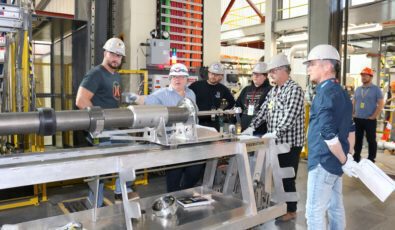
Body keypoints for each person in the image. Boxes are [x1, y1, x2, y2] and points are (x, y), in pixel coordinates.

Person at [304, 44, 358, 229]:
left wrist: (344, 160)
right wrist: (348, 155)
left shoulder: (324, 93)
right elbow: (351, 127)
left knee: (314, 212)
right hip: (335, 163)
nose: (308, 68)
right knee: (335, 207)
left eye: (311, 63)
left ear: (327, 66)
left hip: (323, 161)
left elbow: (328, 133)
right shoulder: (342, 92)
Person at [75, 37, 135, 207]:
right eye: (113, 54)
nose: (116, 58)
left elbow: (110, 98)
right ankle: (108, 197)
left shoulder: (115, 75)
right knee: (105, 166)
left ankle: (99, 199)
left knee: (128, 152)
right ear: (105, 53)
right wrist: (99, 123)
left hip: (112, 128)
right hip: (100, 130)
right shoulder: (96, 74)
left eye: (119, 56)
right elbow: (81, 101)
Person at [246, 54, 305, 221]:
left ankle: (291, 210)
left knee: (287, 176)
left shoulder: (294, 90)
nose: (270, 75)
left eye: (272, 72)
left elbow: (290, 117)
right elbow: (263, 111)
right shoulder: (274, 91)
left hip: (290, 143)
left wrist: (275, 133)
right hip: (275, 141)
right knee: (277, 175)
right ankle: (283, 206)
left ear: (283, 70)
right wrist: (251, 127)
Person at [131, 63, 202, 192]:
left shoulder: (191, 93)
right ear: (170, 78)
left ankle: (185, 192)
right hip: (172, 141)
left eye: (181, 77)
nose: (177, 79)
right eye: (174, 76)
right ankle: (174, 197)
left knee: (195, 170)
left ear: (187, 79)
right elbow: (147, 101)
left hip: (191, 140)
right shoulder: (162, 94)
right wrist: (135, 98)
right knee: (174, 175)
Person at [189, 62, 235, 131]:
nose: (213, 76)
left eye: (216, 75)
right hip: (197, 122)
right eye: (212, 73)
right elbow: (186, 98)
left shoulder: (222, 89)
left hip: (214, 123)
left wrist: (222, 110)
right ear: (208, 73)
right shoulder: (196, 85)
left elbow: (232, 102)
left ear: (221, 76)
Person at [353, 67, 384, 163]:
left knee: (371, 139)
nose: (363, 77)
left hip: (369, 119)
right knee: (357, 139)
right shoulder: (358, 89)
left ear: (371, 77)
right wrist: (352, 113)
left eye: (366, 75)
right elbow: (354, 101)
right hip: (358, 119)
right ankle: (356, 156)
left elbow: (381, 103)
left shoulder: (376, 89)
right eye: (362, 75)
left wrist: (374, 116)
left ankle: (371, 158)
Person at [235, 62, 271, 135]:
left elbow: (269, 111)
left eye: (258, 74)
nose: (255, 76)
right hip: (243, 128)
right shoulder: (246, 89)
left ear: (265, 76)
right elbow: (238, 105)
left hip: (260, 130)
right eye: (254, 74)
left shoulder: (270, 90)